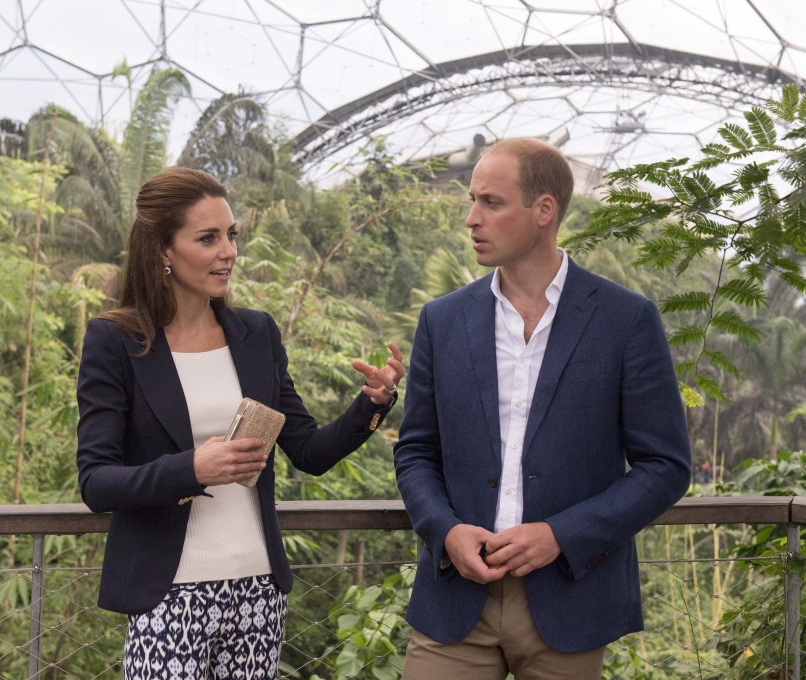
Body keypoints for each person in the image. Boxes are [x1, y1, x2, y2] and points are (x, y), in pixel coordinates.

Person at [76, 167, 405, 679]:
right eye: (208, 238)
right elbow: (96, 482)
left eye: (231, 235)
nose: (228, 250)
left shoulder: (256, 333)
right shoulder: (115, 341)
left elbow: (309, 452)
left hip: (257, 591)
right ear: (163, 249)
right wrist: (193, 467)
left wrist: (373, 404)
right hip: (167, 593)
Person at [393, 138, 691, 679]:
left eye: (490, 202)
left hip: (569, 601)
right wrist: (446, 531)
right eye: (472, 200)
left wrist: (561, 535)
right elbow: (416, 451)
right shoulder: (443, 319)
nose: (471, 218)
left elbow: (665, 467)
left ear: (543, 210)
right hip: (455, 602)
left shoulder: (626, 321)